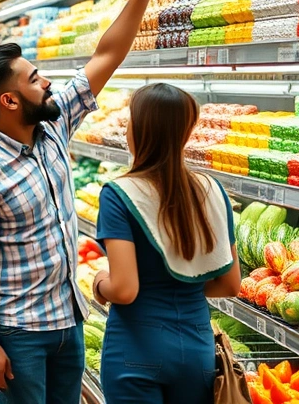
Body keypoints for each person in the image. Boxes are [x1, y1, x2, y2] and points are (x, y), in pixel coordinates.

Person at [0, 0, 176, 404]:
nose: (47, 81)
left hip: (68, 320)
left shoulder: (54, 126)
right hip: (17, 332)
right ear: (9, 101)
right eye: (35, 79)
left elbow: (106, 55)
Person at [91, 84, 240, 404]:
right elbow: (229, 284)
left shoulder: (119, 194)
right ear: (186, 132)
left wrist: (100, 283)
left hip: (136, 348)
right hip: (197, 350)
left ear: (138, 130)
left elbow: (125, 289)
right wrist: (180, 287)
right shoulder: (213, 191)